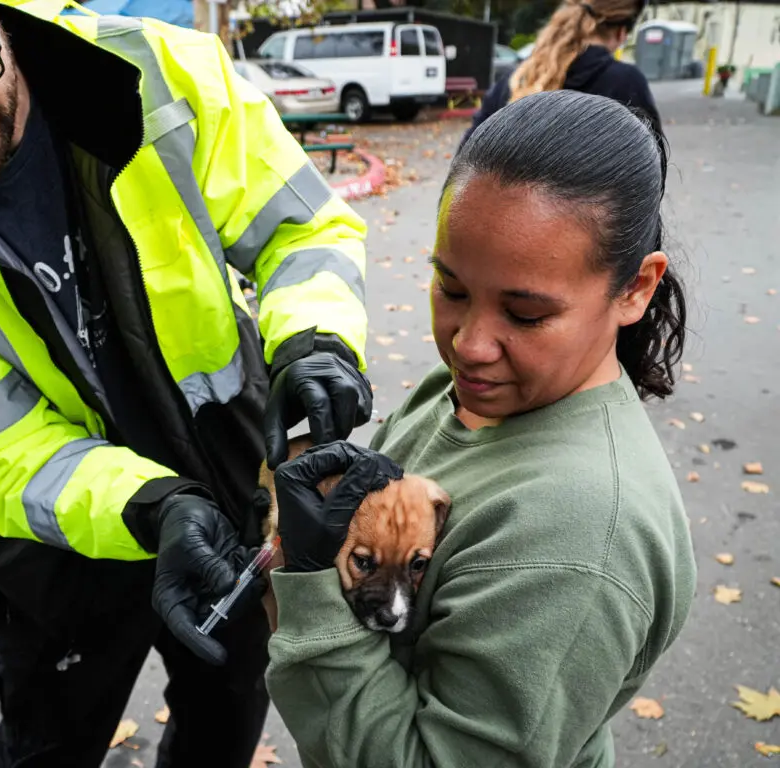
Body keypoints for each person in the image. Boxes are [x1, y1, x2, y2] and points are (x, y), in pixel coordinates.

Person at [0, 2, 372, 766]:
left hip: (235, 483)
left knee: (227, 710)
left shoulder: (166, 77)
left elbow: (299, 228)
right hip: (56, 556)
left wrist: (317, 341)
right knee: (47, 741)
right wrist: (150, 508)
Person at [265, 90, 697, 767]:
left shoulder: (577, 535)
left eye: (524, 314)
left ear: (636, 289)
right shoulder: (483, 392)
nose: (468, 344)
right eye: (452, 289)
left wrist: (308, 588)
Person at [462, 0, 660, 145]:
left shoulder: (515, 80)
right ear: (621, 33)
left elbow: (464, 162)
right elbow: (650, 171)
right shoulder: (626, 83)